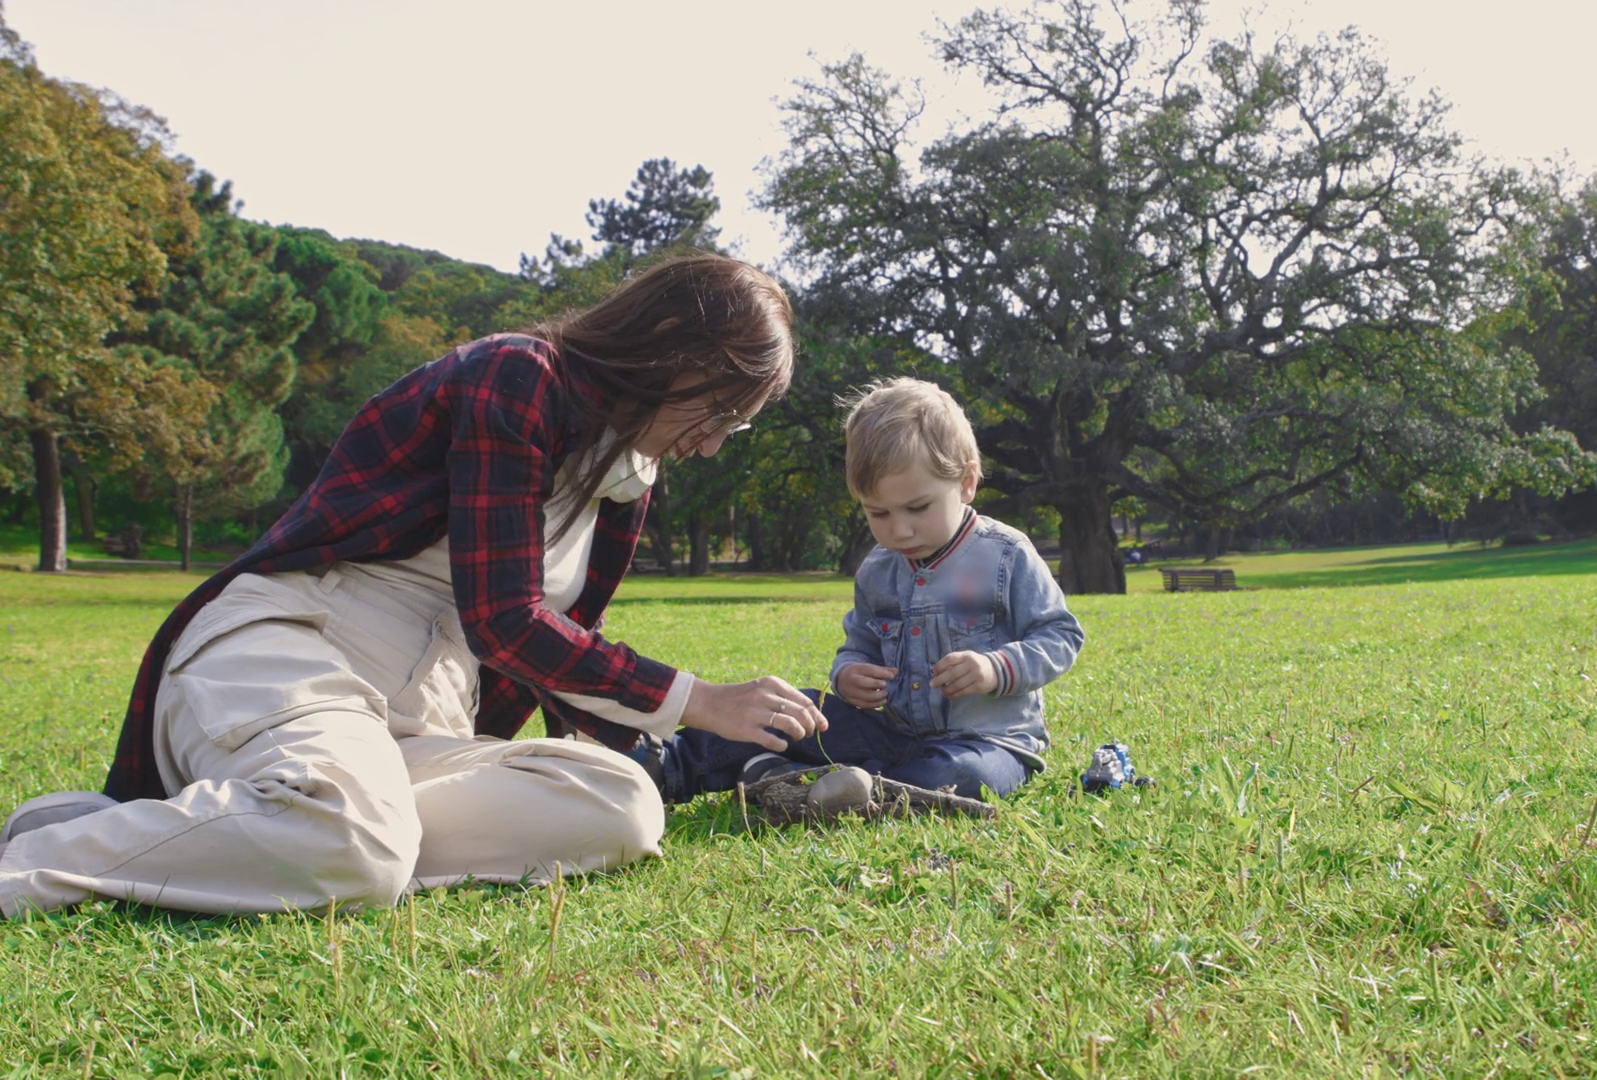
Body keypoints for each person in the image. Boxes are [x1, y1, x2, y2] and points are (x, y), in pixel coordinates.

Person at [0, 253, 828, 918]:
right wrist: (697, 699)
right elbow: (506, 621)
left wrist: (685, 754)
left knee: (620, 805)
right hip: (296, 651)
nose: (713, 444)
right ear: (674, 351)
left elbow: (565, 652)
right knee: (357, 838)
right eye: (722, 412)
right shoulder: (520, 375)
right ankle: (63, 856)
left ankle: (268, 825)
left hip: (419, 718)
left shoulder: (626, 475)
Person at [651, 377, 1083, 802]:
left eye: (918, 508)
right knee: (794, 709)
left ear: (966, 482)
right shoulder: (878, 569)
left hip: (989, 743)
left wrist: (995, 668)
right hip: (891, 735)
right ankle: (669, 765)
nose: (900, 529)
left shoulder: (1006, 555)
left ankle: (828, 786)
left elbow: (1060, 635)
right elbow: (859, 645)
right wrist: (848, 675)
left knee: (962, 775)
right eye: (878, 513)